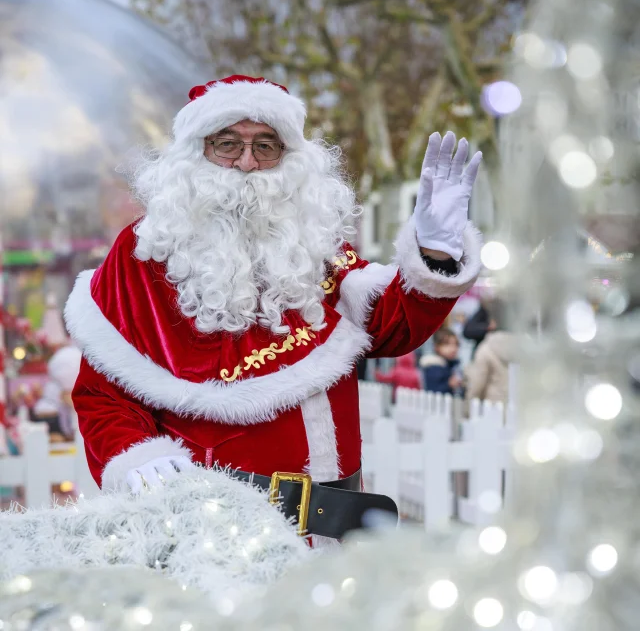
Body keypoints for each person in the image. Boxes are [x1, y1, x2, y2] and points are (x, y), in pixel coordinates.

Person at [65, 75, 482, 540]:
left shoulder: (315, 246)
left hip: (334, 532)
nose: (247, 163)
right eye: (228, 144)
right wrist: (139, 454)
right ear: (195, 152)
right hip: (213, 535)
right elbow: (103, 395)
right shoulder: (144, 254)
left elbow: (392, 327)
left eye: (266, 146)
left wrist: (435, 253)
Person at [466, 301, 515, 404]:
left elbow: (477, 383)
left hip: (492, 407)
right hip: (519, 409)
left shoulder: (486, 349)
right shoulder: (526, 347)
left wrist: (468, 408)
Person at [420, 328, 464, 396]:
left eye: (456, 344)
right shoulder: (434, 366)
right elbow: (433, 390)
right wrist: (449, 384)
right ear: (437, 347)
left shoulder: (452, 365)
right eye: (447, 344)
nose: (453, 348)